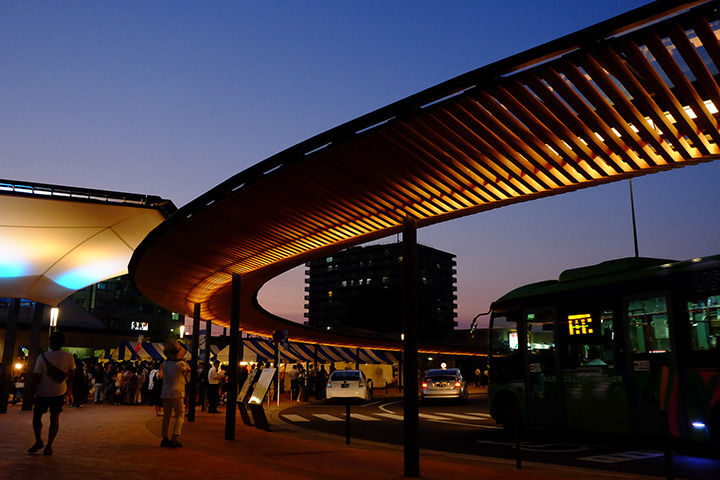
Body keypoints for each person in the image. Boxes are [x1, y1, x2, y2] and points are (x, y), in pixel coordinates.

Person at [28, 331, 75, 456]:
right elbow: (72, 375)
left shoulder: (42, 357)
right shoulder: (68, 356)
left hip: (43, 391)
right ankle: (49, 446)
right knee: (54, 418)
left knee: (37, 417)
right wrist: (66, 386)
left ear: (50, 342)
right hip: (59, 391)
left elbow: (37, 376)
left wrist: (31, 391)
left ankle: (38, 440)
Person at [159, 341, 190, 448]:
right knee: (180, 415)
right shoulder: (181, 364)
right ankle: (174, 438)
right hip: (177, 392)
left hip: (165, 392)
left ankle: (164, 437)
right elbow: (189, 370)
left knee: (166, 416)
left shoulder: (165, 364)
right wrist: (184, 360)